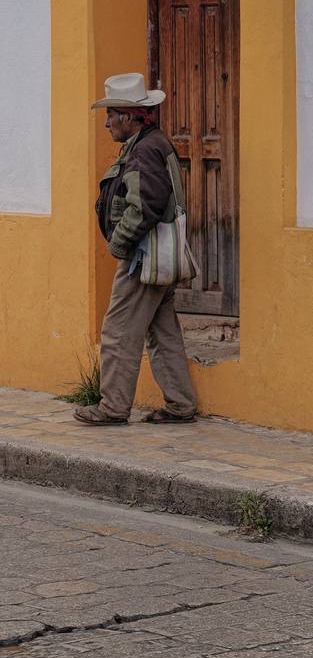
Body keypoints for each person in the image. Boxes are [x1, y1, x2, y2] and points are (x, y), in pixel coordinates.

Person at [73, 73, 197, 426]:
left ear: (129, 115)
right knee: (162, 331)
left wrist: (119, 243)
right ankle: (180, 404)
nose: (107, 123)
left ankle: (112, 407)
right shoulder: (151, 143)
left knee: (118, 331)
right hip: (159, 257)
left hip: (143, 257)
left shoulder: (144, 149)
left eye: (111, 114)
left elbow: (146, 203)